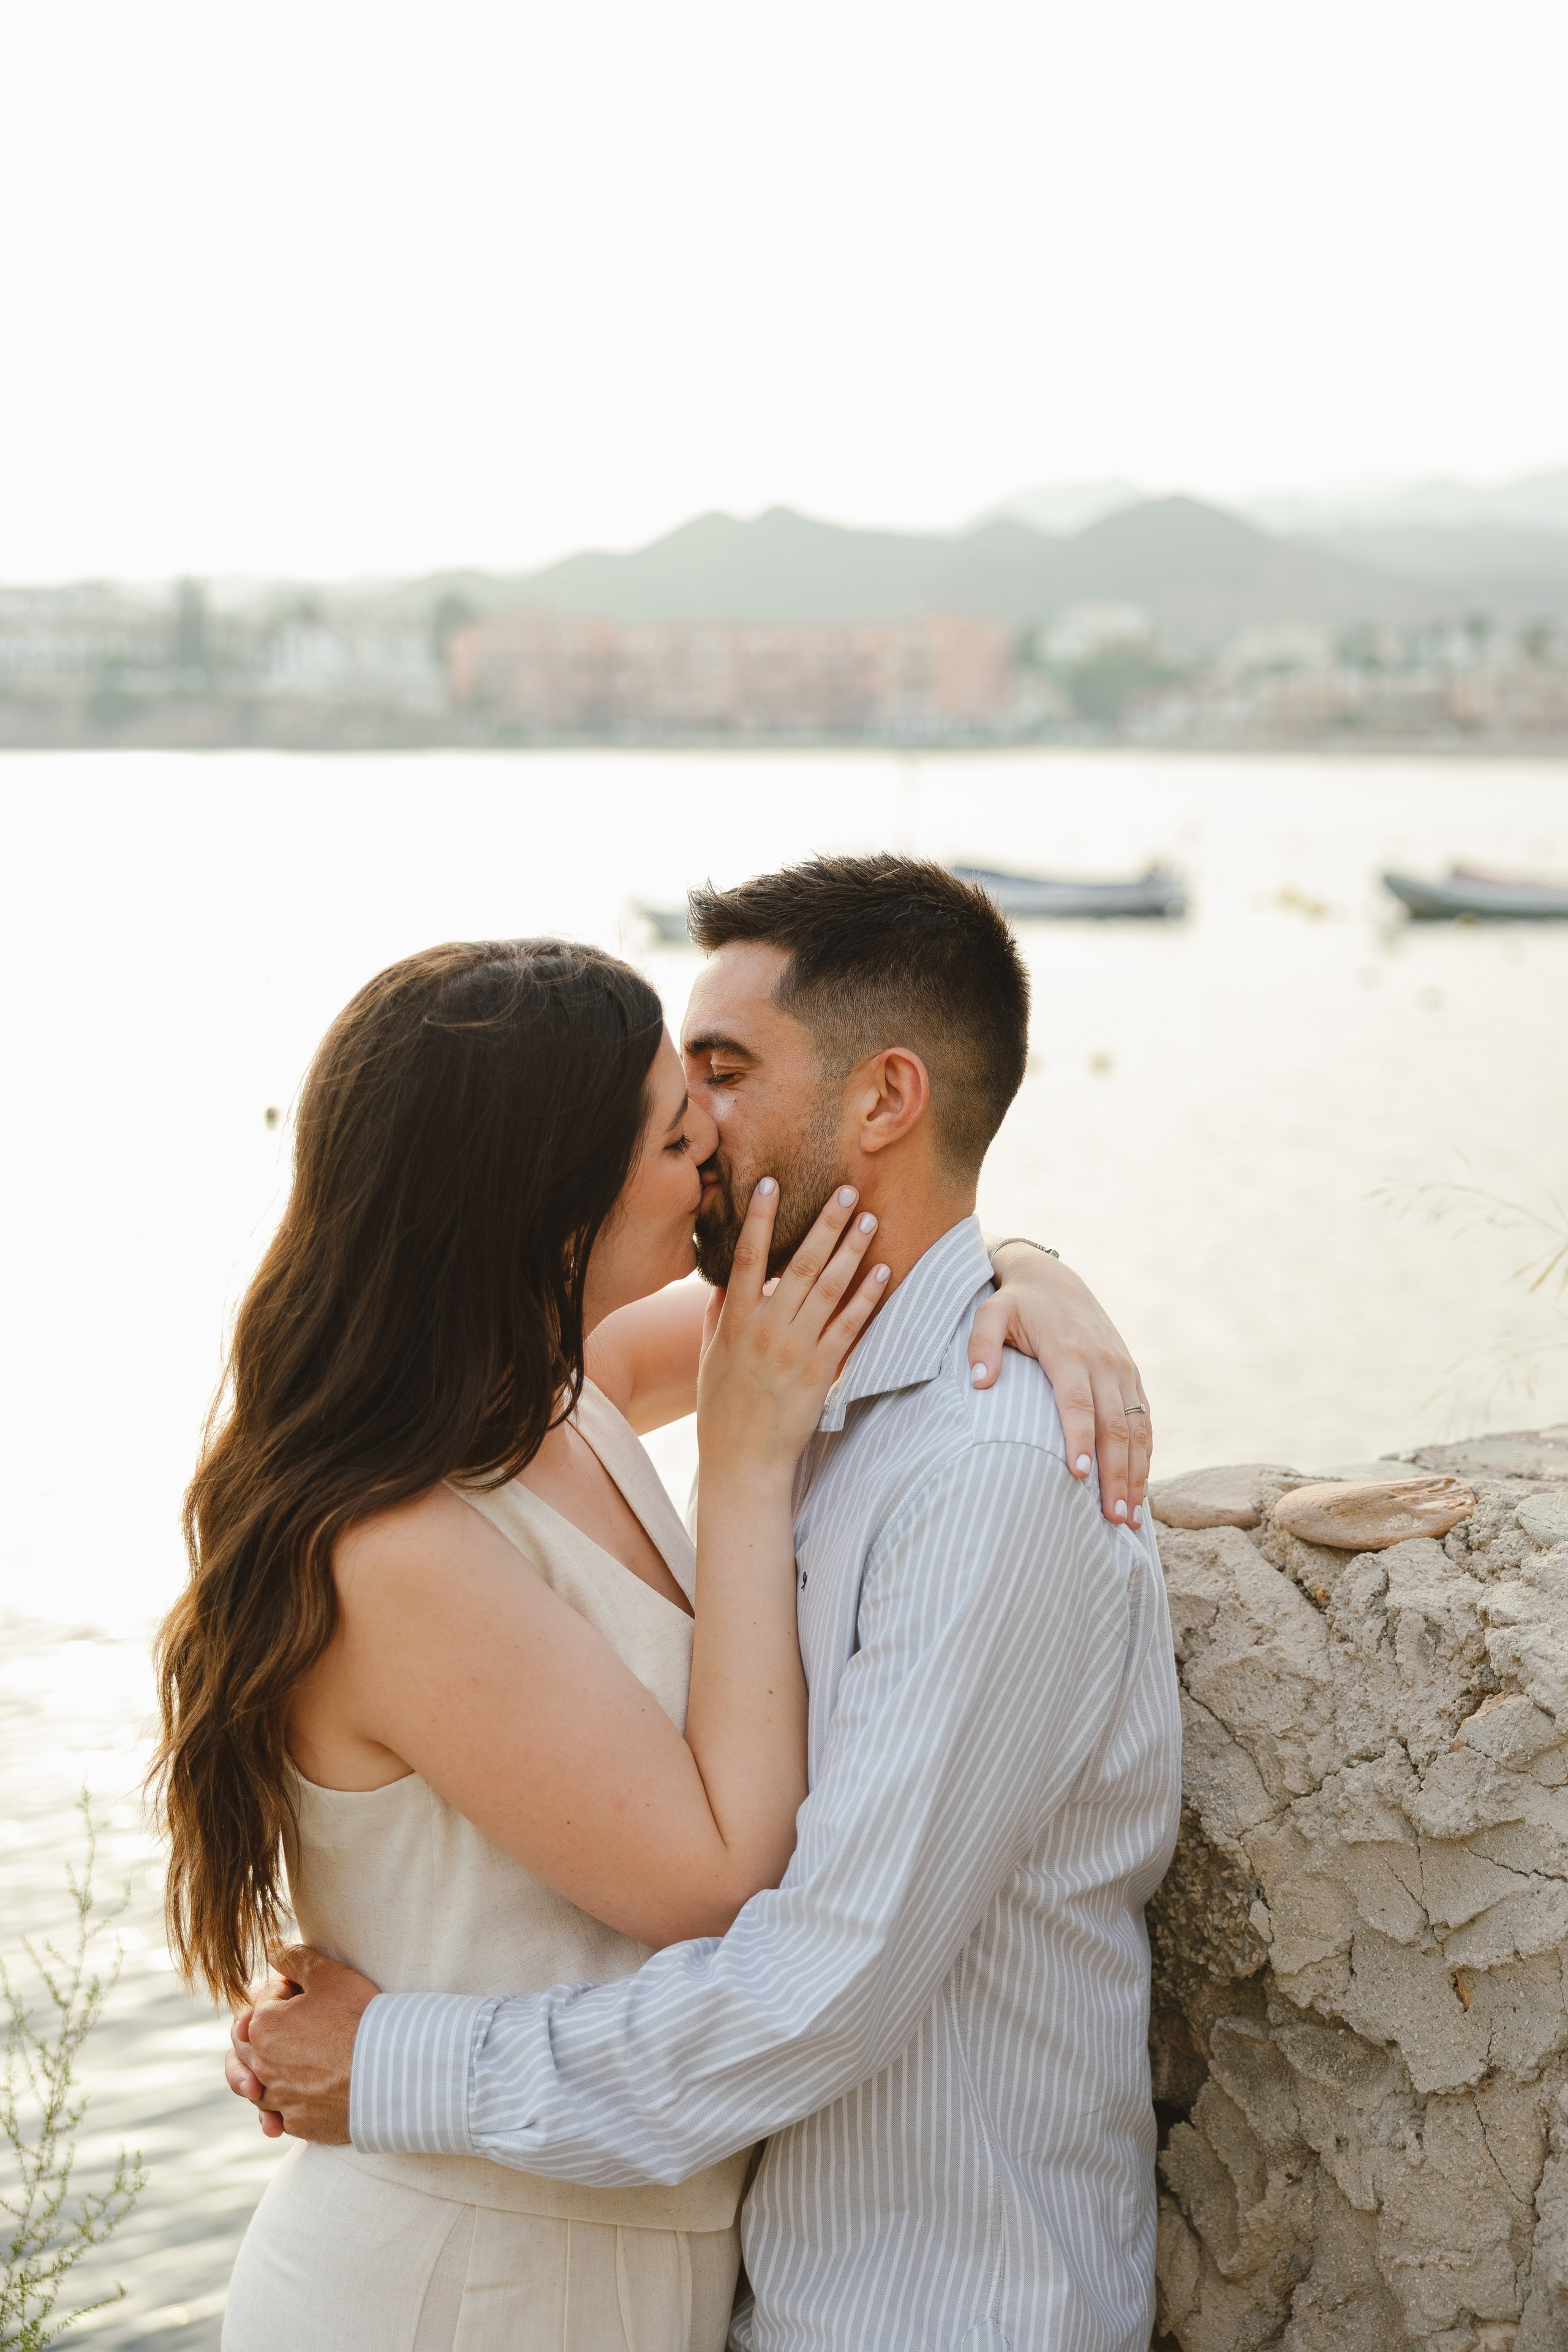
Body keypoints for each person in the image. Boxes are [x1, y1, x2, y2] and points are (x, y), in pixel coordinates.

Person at [156, 913, 1149, 2351]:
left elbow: (891, 1270)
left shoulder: (554, 1403)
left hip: (614, 2247)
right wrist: (742, 1471)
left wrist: (1034, 1272)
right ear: (547, 1189)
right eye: (676, 1130)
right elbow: (723, 1880)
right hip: (460, 2277)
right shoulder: (400, 1547)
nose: (707, 1160)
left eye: (714, 1102)